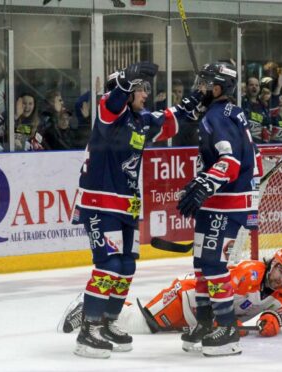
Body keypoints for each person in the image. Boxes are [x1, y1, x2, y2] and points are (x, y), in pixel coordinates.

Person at [70, 61, 204, 359]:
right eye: (140, 88)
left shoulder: (141, 120)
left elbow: (172, 117)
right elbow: (112, 101)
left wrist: (198, 96)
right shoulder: (109, 115)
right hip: (99, 204)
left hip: (127, 207)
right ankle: (88, 329)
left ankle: (107, 322)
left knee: (127, 266)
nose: (146, 93)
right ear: (127, 90)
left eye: (145, 88)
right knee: (109, 266)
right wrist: (128, 77)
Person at [176, 62, 262, 357]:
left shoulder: (216, 116)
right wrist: (203, 184)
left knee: (213, 265)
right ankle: (204, 321)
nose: (199, 88)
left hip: (226, 202)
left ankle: (227, 328)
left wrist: (202, 185)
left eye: (204, 83)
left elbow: (231, 162)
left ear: (217, 88)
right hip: (219, 201)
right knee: (201, 264)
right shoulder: (229, 112)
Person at [58, 248, 282, 340]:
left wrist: (270, 321)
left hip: (199, 316)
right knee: (143, 324)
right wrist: (223, 321)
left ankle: (101, 307)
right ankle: (88, 305)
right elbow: (218, 292)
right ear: (272, 264)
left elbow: (276, 314)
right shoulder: (250, 273)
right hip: (187, 296)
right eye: (280, 269)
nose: (281, 278)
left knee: (145, 322)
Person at [242, 76, 271, 143]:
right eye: (251, 85)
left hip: (260, 145)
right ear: (246, 87)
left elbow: (267, 124)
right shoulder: (240, 102)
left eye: (256, 85)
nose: (254, 87)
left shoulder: (263, 106)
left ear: (259, 88)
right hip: (245, 144)